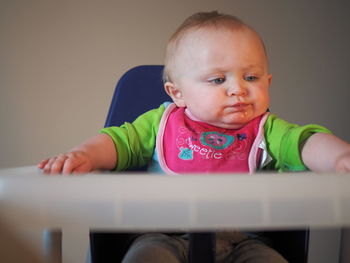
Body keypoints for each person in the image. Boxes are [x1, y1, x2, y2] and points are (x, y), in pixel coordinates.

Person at [38, 11, 350, 263]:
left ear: (268, 81)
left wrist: (339, 158)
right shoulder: (161, 123)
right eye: (218, 79)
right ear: (178, 94)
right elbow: (118, 142)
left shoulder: (267, 130)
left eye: (251, 77)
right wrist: (82, 156)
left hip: (245, 243)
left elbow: (306, 142)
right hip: (163, 236)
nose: (238, 88)